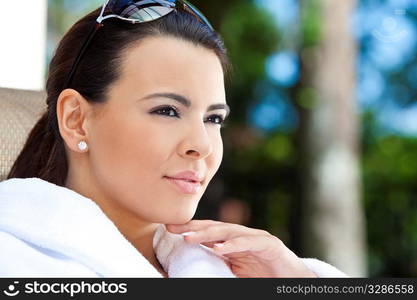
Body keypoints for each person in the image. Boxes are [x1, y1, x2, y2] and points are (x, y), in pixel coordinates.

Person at [0, 0, 346, 278]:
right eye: (167, 110)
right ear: (76, 120)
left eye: (214, 119)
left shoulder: (242, 269)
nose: (203, 145)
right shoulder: (14, 258)